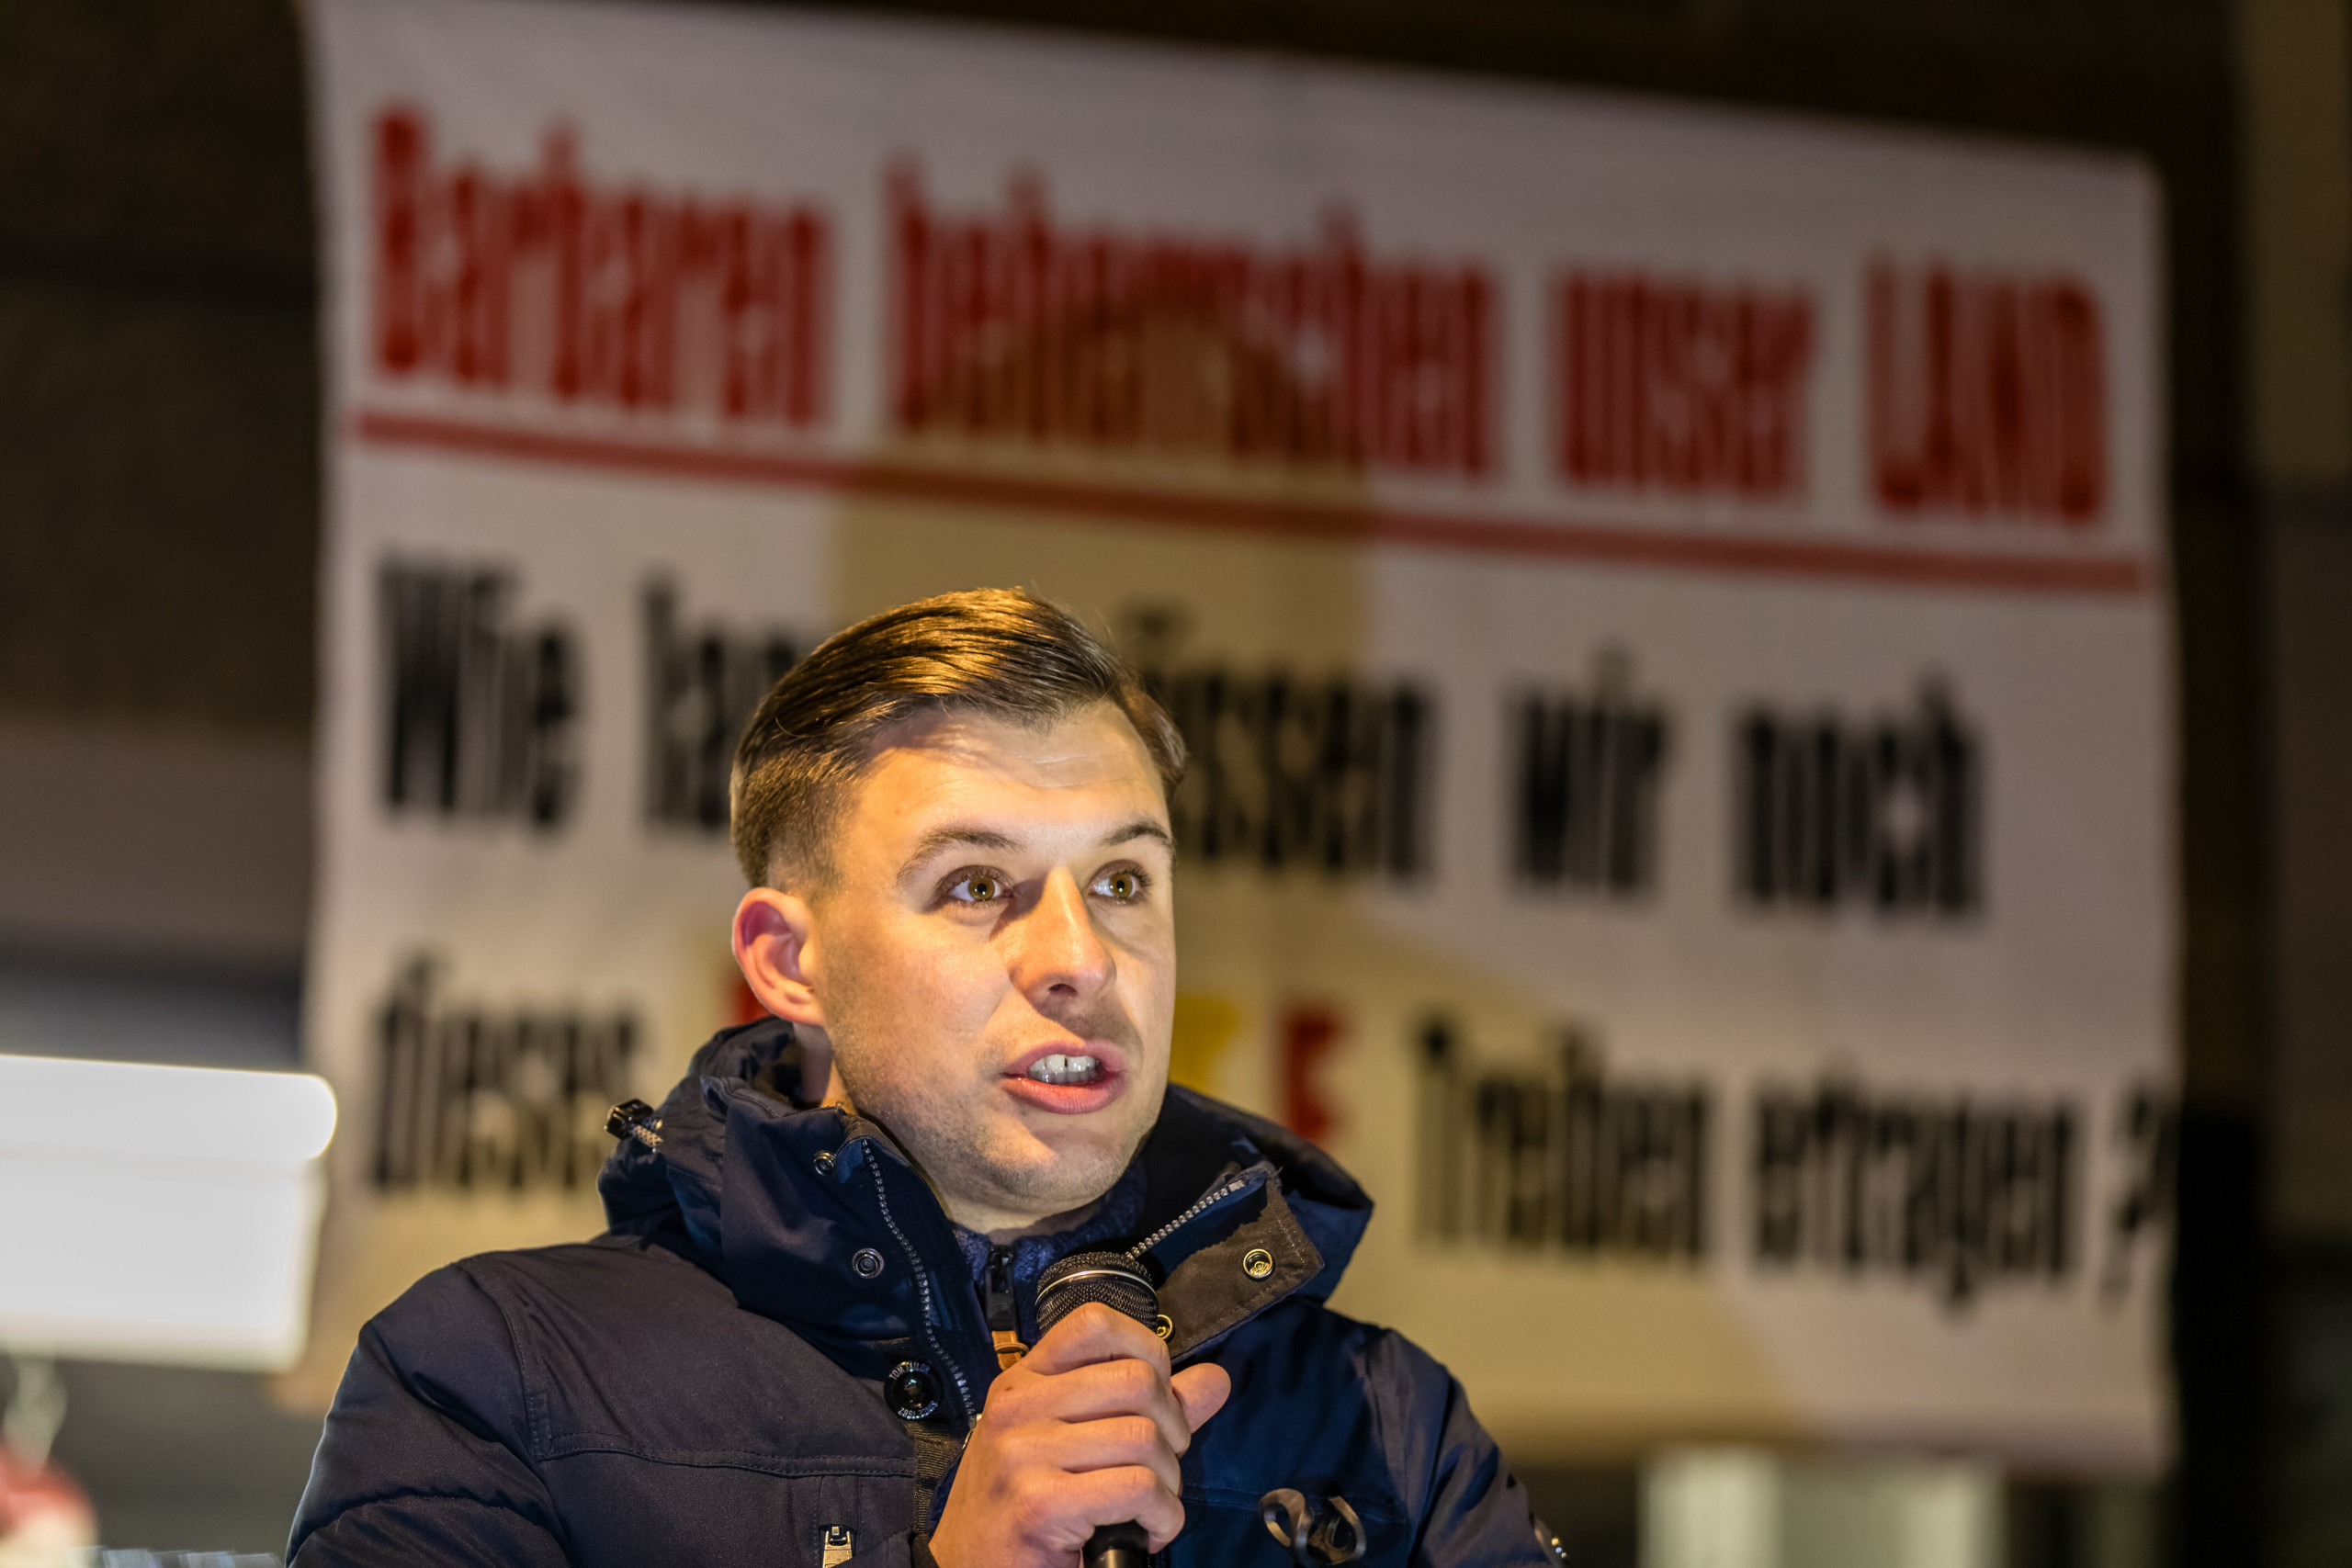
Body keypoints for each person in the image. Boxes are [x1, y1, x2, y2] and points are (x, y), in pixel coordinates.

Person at [289, 588, 1556, 1568]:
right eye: (976, 885)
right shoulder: (495, 1376)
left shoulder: (1386, 1426)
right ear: (790, 962)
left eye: (1121, 880)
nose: (1081, 959)